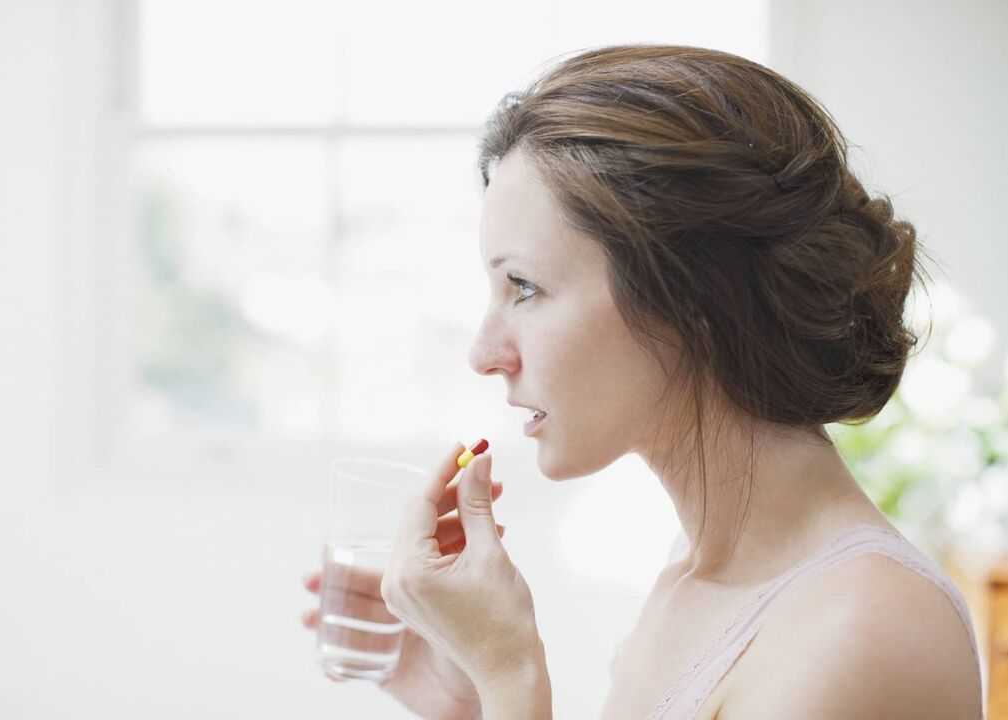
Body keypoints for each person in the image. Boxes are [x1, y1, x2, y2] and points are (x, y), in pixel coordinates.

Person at [302, 43, 985, 719]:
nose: (484, 353)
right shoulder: (697, 571)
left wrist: (510, 676)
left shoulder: (861, 634)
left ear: (689, 302)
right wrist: (471, 705)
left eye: (526, 287)